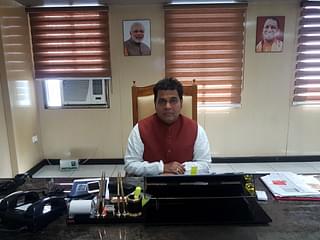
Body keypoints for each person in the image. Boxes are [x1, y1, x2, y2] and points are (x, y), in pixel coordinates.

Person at [124, 77, 211, 176]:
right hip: (150, 188)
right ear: (155, 104)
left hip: (185, 186)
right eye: (162, 101)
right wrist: (161, 168)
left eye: (173, 101)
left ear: (181, 103)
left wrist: (180, 170)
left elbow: (205, 165)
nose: (167, 106)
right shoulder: (139, 129)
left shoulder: (196, 130)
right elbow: (130, 165)